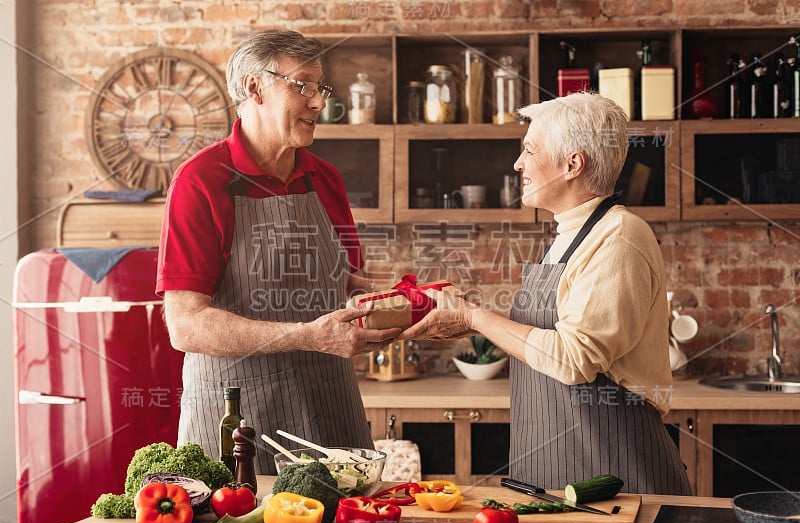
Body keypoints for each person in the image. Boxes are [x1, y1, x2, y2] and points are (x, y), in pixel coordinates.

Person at [400, 92, 692, 495]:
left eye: (530, 150)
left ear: (573, 164)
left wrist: (473, 317)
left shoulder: (619, 238)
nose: (518, 164)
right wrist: (464, 319)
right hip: (552, 469)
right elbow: (544, 343)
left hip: (615, 475)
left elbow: (575, 359)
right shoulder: (568, 235)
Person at [156, 29, 399, 475]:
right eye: (303, 85)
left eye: (321, 88)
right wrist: (308, 335)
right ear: (255, 88)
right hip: (237, 422)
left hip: (331, 411)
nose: (318, 103)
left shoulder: (325, 178)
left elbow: (345, 285)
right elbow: (185, 325)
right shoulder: (200, 182)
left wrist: (397, 307)